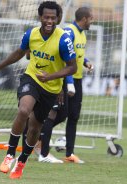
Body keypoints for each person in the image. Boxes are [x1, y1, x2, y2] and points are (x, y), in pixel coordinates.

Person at [0, 1, 77, 179]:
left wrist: (51, 77)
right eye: (46, 17)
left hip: (50, 87)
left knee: (35, 128)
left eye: (53, 18)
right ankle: (10, 154)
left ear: (58, 19)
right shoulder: (31, 34)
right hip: (32, 78)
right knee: (24, 110)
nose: (49, 20)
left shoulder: (64, 39)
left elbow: (72, 67)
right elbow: (19, 53)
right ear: (40, 17)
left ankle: (21, 162)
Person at [27, 7, 94, 164]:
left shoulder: (82, 34)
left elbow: (75, 55)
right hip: (65, 79)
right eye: (91, 18)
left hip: (77, 79)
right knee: (53, 113)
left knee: (71, 116)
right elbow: (64, 58)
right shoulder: (68, 32)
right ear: (84, 18)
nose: (93, 21)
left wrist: (86, 62)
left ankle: (69, 153)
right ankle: (40, 147)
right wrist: (68, 83)